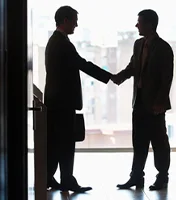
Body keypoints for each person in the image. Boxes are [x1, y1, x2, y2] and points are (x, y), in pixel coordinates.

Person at [44, 6, 113, 193]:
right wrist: (110, 77)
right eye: (74, 20)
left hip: (56, 102)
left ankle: (49, 177)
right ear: (65, 20)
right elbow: (82, 64)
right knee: (66, 143)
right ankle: (66, 180)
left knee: (57, 142)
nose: (76, 24)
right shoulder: (62, 43)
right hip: (62, 103)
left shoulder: (55, 41)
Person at [112, 9, 174, 190]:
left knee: (159, 142)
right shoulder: (138, 44)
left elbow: (166, 78)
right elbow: (133, 67)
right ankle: (136, 176)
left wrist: (160, 102)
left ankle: (162, 177)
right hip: (138, 102)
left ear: (149, 24)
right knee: (138, 141)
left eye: (139, 22)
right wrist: (120, 77)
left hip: (155, 105)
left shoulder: (164, 48)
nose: (136, 25)